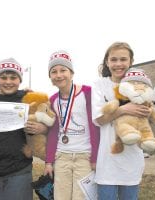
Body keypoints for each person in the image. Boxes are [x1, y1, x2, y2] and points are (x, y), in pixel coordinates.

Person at [0, 58, 48, 200]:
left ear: (20, 80)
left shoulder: (28, 98)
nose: (8, 81)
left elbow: (48, 124)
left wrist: (42, 128)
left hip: (19, 170)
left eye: (13, 77)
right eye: (3, 77)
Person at [92, 42, 150, 200]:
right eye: (114, 59)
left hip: (132, 160)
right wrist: (124, 109)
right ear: (107, 62)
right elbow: (99, 119)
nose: (118, 64)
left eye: (123, 59)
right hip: (107, 162)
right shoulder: (99, 85)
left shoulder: (139, 85)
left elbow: (148, 112)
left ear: (131, 61)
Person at [43, 50, 99, 200]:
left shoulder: (88, 93)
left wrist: (95, 158)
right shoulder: (53, 99)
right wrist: (49, 161)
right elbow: (53, 132)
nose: (59, 75)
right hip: (62, 156)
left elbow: (95, 128)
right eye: (54, 72)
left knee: (81, 197)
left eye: (63, 70)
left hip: (84, 157)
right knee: (60, 196)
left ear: (72, 73)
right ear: (50, 77)